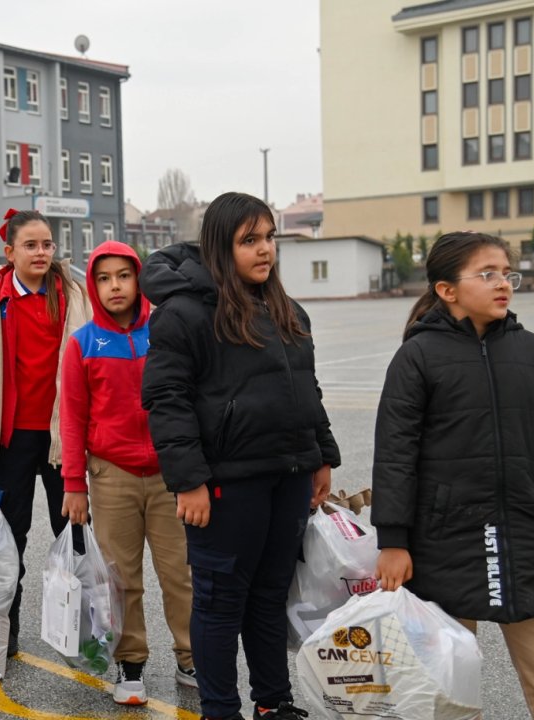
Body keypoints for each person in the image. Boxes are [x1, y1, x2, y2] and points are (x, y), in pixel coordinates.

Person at [140, 191, 338, 720]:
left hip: (288, 474)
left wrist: (321, 455)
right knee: (220, 602)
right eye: (249, 240)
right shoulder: (182, 314)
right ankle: (220, 710)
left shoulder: (287, 311)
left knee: (270, 595)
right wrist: (188, 481)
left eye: (269, 237)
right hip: (225, 484)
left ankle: (273, 703)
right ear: (220, 247)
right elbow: (167, 401)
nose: (264, 250)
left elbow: (306, 389)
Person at [373, 232, 534, 720]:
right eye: (487, 274)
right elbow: (395, 453)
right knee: (447, 686)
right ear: (447, 290)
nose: (503, 283)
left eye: (508, 273)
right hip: (443, 539)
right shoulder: (417, 357)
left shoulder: (532, 350)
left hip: (527, 537)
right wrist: (395, 540)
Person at [59, 240, 195, 705]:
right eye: (103, 277)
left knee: (180, 573)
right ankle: (130, 663)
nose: (114, 286)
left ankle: (191, 657)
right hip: (111, 476)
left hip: (169, 475)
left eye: (123, 275)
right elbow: (72, 419)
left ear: (139, 279)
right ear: (93, 285)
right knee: (121, 577)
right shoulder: (82, 343)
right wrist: (74, 484)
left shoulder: (165, 330)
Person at [0, 208, 91, 657]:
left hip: (61, 437)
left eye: (47, 244)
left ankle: (79, 629)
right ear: (8, 252)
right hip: (11, 439)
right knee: (9, 537)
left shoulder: (72, 293)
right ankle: (4, 629)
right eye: (30, 245)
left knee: (71, 535)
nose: (41, 252)